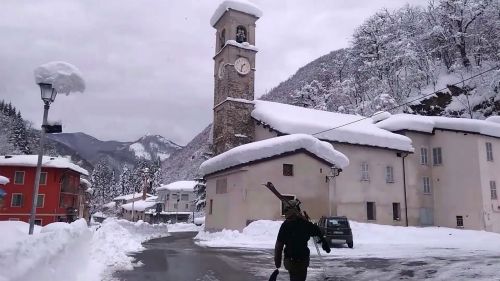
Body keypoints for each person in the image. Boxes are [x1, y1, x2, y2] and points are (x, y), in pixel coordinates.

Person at [274, 199, 330, 281]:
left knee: (294, 277)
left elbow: (279, 245)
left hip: (291, 260)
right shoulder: (304, 224)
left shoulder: (285, 226)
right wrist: (324, 242)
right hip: (302, 260)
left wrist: (277, 262)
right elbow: (317, 231)